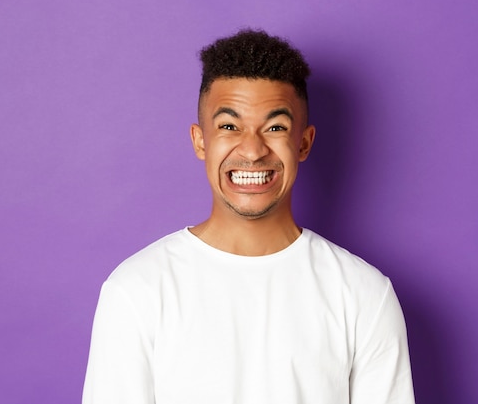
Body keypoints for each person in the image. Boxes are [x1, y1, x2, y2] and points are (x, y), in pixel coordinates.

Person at [82, 29, 415, 404]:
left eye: (275, 128)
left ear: (303, 143)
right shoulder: (136, 290)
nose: (253, 150)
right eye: (229, 126)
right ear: (200, 141)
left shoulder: (364, 295)